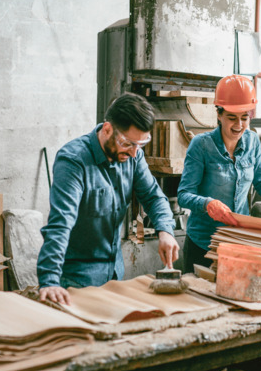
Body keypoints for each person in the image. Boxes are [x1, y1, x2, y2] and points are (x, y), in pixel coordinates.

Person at [37, 93, 180, 305]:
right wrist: (49, 279)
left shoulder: (134, 156)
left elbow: (152, 196)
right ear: (107, 129)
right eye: (127, 143)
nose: (133, 153)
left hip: (114, 274)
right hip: (76, 280)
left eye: (140, 145)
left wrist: (165, 230)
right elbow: (61, 223)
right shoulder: (73, 161)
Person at [177, 75, 261, 274]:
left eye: (245, 117)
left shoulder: (252, 141)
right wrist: (208, 204)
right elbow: (184, 195)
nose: (239, 125)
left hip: (237, 242)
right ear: (219, 114)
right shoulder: (201, 145)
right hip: (203, 245)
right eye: (232, 118)